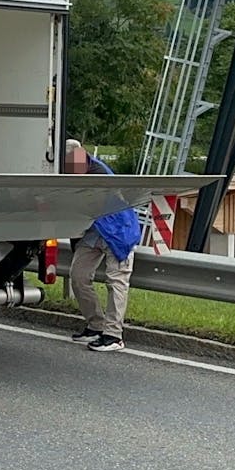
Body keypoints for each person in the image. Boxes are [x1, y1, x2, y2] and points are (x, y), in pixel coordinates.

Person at [64, 139, 139, 352]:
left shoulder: (97, 174)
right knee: (78, 276)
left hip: (118, 231)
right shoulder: (81, 168)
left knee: (116, 282)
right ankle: (95, 325)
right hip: (95, 230)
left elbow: (81, 205)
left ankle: (113, 335)